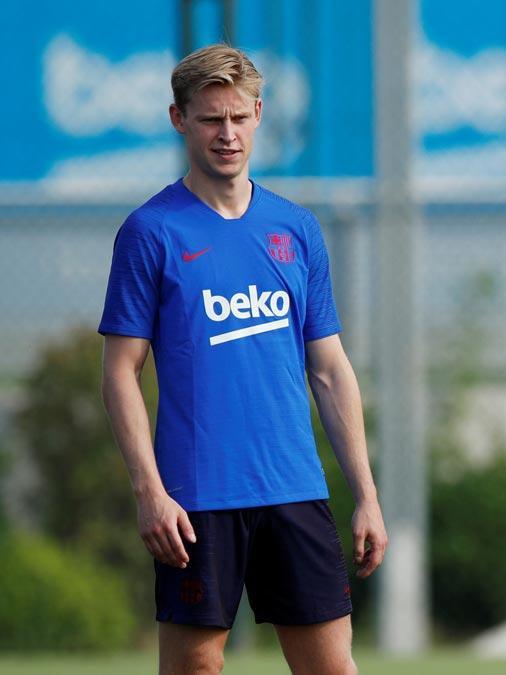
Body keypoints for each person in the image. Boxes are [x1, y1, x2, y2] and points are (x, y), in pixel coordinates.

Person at [99, 44, 386, 675]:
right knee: (195, 668)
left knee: (331, 669)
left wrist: (365, 493)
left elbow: (330, 369)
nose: (226, 135)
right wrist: (149, 490)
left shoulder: (297, 229)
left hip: (294, 488)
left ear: (258, 114)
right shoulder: (151, 232)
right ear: (179, 119)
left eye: (237, 118)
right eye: (208, 120)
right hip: (197, 496)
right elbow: (121, 370)